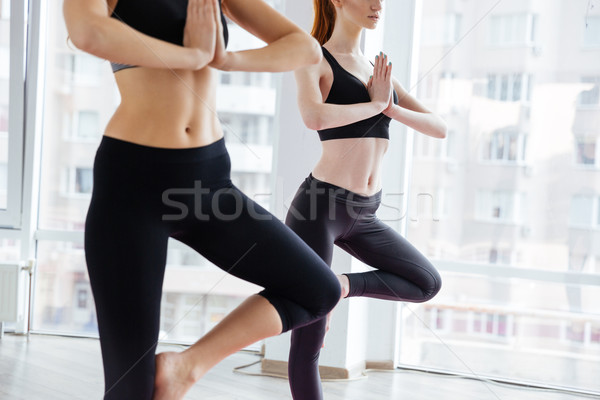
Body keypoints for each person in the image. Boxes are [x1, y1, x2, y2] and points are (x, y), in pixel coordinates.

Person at [63, 0, 343, 399]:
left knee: (318, 289)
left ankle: (187, 366)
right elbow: (87, 32)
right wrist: (192, 55)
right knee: (131, 390)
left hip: (208, 180)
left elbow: (304, 48)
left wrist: (225, 60)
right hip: (133, 182)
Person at [285, 1, 447, 399]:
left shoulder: (377, 70)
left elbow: (438, 127)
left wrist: (389, 104)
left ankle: (339, 285)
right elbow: (313, 116)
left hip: (364, 212)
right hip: (319, 209)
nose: (378, 5)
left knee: (426, 282)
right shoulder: (313, 56)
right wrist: (375, 105)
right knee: (310, 341)